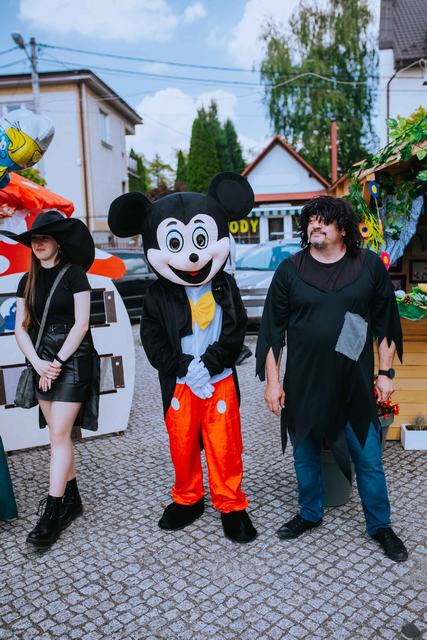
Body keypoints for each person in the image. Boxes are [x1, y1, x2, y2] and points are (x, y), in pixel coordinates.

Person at [256, 196, 408, 562]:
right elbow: (272, 332)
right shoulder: (290, 270)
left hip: (353, 384)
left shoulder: (368, 266)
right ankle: (310, 513)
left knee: (368, 458)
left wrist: (385, 373)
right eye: (311, 220)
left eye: (324, 219)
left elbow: (385, 323)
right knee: (305, 456)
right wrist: (273, 383)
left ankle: (380, 525)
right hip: (304, 383)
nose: (315, 225)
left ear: (343, 228)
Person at [108, 172, 257, 543]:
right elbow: (152, 338)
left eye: (200, 241)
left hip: (219, 380)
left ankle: (231, 504)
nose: (191, 256)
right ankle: (188, 497)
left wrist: (211, 362)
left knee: (225, 444)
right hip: (178, 383)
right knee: (183, 443)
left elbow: (236, 327)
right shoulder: (157, 295)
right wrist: (183, 367)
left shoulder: (225, 284)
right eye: (176, 243)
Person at [1, 210, 98, 548]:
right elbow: (20, 329)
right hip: (41, 361)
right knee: (59, 435)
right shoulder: (25, 281)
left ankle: (52, 513)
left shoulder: (75, 274)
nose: (38, 243)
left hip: (73, 360)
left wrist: (56, 363)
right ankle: (73, 499)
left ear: (59, 242)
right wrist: (39, 363)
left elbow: (82, 324)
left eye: (45, 237)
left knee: (58, 434)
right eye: (34, 239)